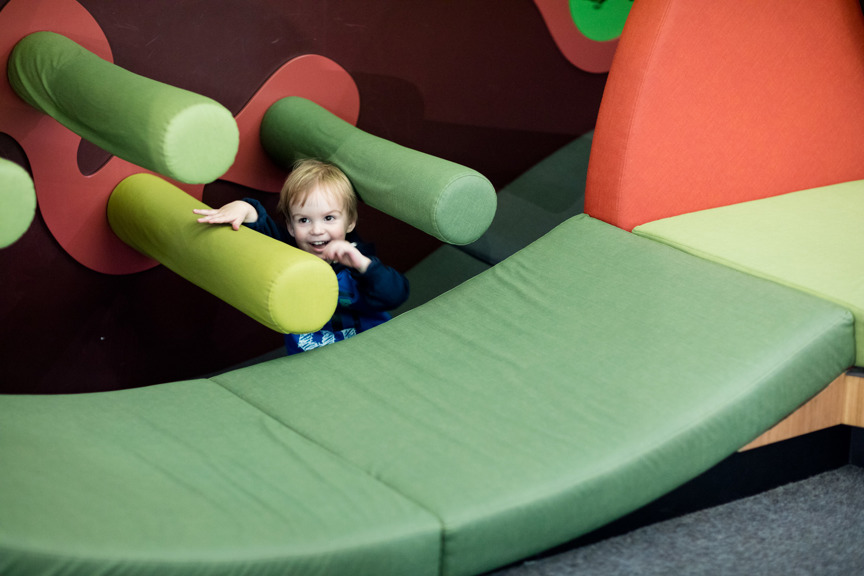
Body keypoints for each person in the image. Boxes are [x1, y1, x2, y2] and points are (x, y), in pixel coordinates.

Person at [194, 158, 409, 354]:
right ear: (290, 226)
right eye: (304, 220)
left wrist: (363, 265)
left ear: (350, 222)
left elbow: (395, 295)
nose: (316, 230)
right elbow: (261, 225)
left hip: (370, 350)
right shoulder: (288, 250)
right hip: (311, 360)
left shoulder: (356, 258)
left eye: (329, 218)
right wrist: (243, 207)